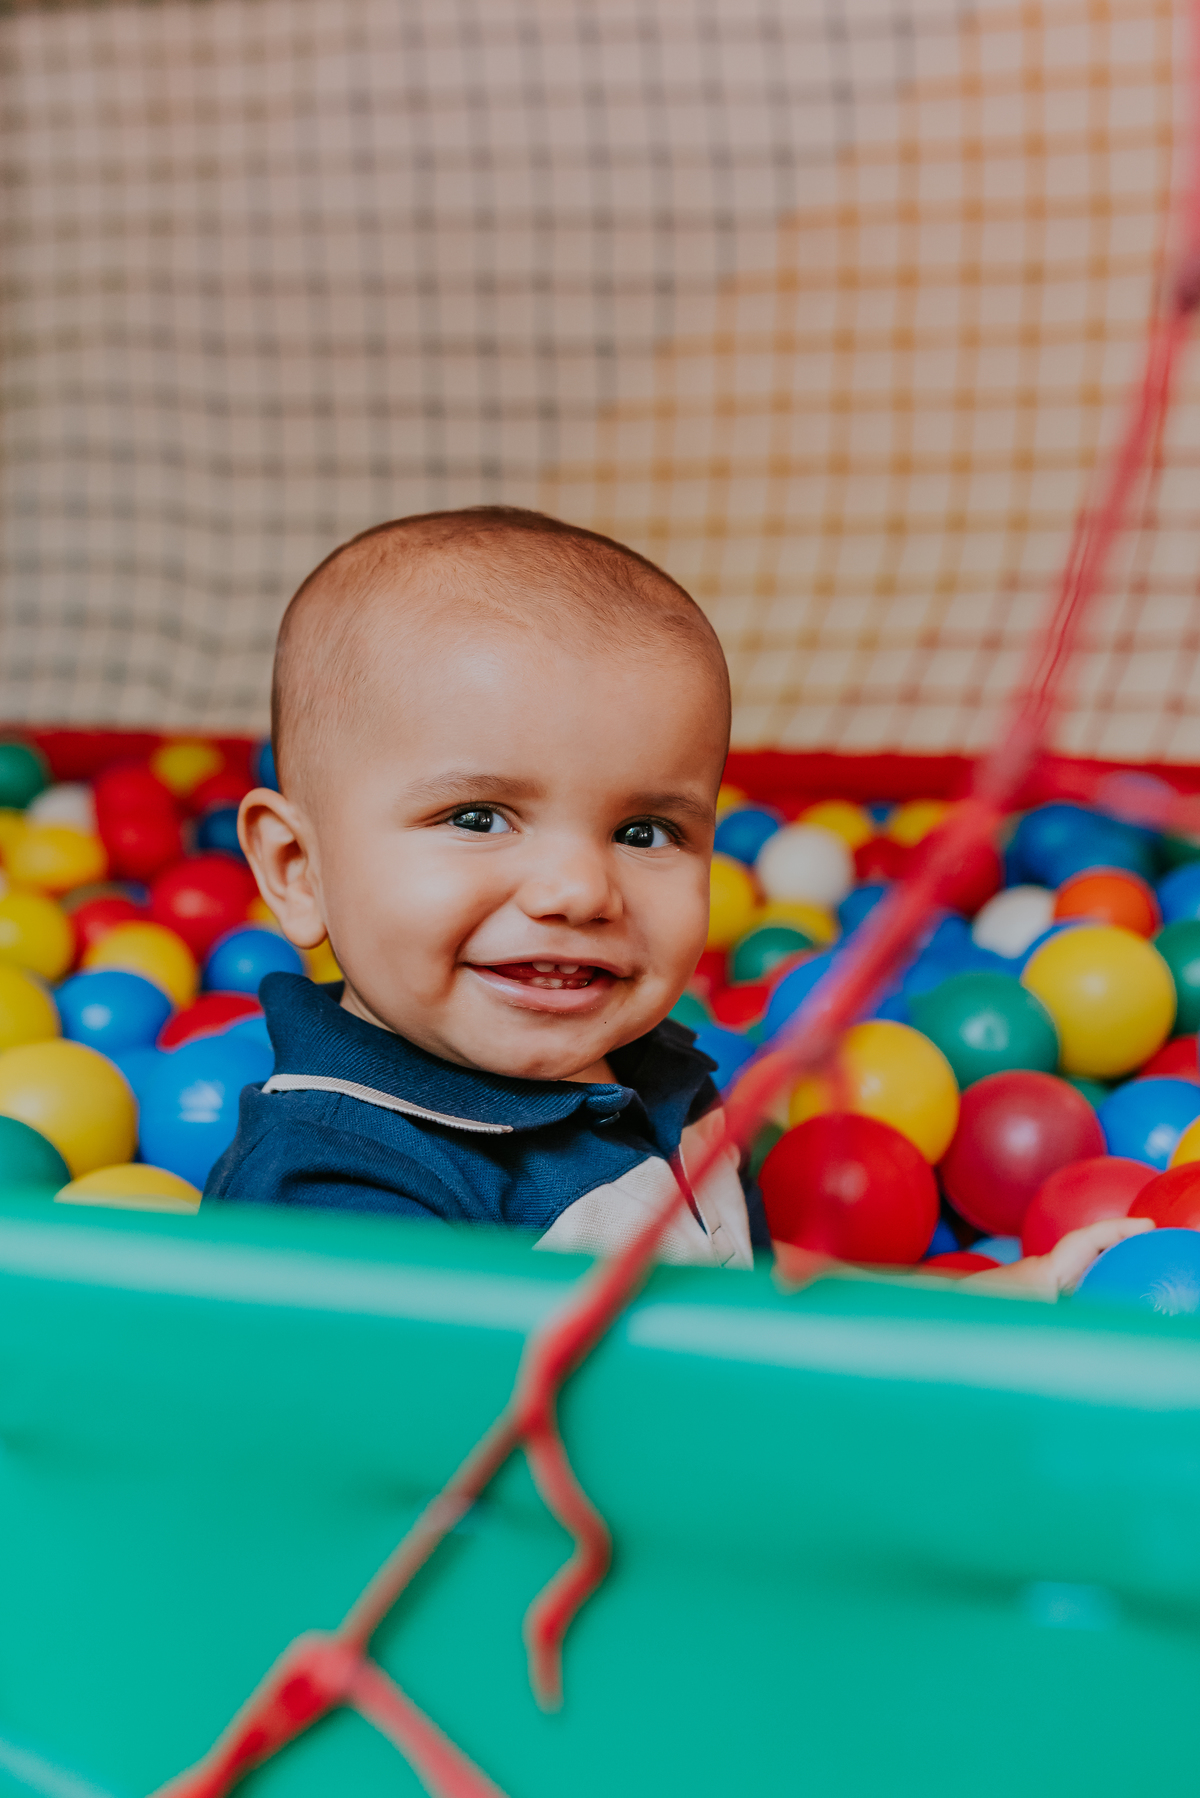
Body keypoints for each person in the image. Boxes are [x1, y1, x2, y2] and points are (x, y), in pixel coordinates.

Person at [206, 505, 1147, 1290]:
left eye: (644, 832)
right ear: (298, 869)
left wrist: (992, 1301)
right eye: (480, 817)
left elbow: (742, 1316)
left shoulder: (654, 1081)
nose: (579, 889)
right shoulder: (337, 1190)